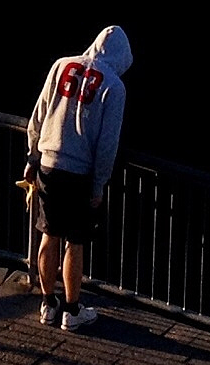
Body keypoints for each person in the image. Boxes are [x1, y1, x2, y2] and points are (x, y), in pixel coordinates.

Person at [24, 24, 133, 331]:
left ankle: (48, 304)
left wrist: (32, 157)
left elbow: (39, 113)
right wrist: (99, 184)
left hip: (49, 160)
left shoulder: (62, 64)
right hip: (80, 172)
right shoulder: (114, 87)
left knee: (49, 234)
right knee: (76, 241)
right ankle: (72, 310)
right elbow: (107, 144)